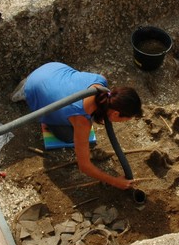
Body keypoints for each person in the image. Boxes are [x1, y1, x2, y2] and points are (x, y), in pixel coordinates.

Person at [11, 62, 142, 190]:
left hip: (51, 69)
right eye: (126, 119)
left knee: (66, 106)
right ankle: (26, 90)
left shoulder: (101, 81)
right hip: (35, 87)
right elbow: (84, 166)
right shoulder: (81, 121)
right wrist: (114, 181)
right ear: (115, 113)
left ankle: (33, 84)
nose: (125, 121)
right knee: (68, 136)